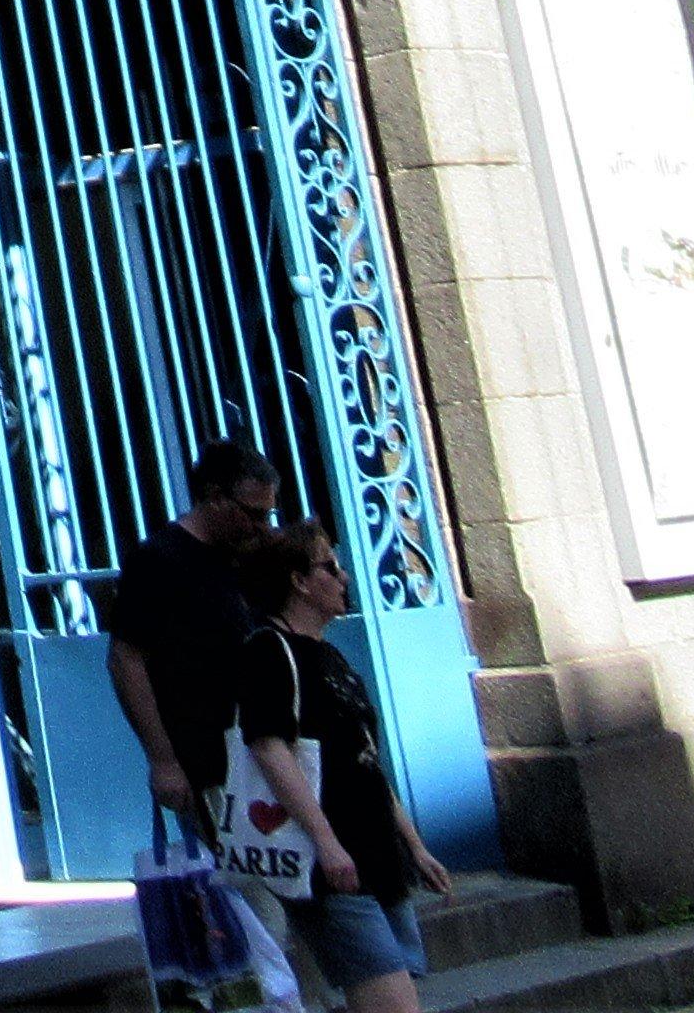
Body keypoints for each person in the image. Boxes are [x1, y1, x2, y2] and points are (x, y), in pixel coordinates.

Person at [229, 525, 458, 1013]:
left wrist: (413, 844)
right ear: (299, 582)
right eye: (329, 566)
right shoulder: (270, 651)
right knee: (392, 1002)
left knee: (395, 992)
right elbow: (270, 750)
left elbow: (364, 757)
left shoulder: (329, 654)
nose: (345, 576)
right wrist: (327, 843)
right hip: (331, 864)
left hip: (375, 854)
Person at [103, 434, 282, 827]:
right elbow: (126, 659)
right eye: (252, 514)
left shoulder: (244, 557)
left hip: (265, 751)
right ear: (215, 496)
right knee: (244, 880)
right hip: (207, 759)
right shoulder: (159, 561)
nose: (259, 527)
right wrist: (163, 759)